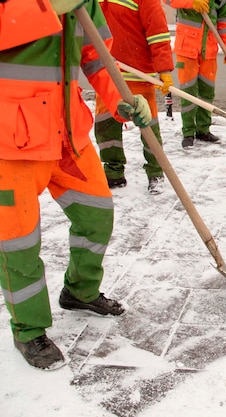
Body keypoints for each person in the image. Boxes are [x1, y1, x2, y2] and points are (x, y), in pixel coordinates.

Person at [0, 0, 151, 370]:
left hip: (68, 133)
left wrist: (124, 101)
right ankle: (29, 330)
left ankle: (80, 292)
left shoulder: (84, 2)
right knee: (18, 243)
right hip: (12, 140)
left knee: (97, 215)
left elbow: (98, 60)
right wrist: (45, 8)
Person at [95, 0, 175, 195]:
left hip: (138, 74)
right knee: (105, 126)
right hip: (107, 74)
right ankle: (113, 171)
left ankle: (156, 172)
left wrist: (164, 69)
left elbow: (158, 33)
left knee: (148, 125)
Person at [165, 0, 226, 149]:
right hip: (186, 49)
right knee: (188, 92)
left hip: (209, 50)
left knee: (207, 92)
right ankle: (188, 132)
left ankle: (203, 130)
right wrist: (191, 3)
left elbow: (224, 26)